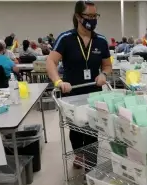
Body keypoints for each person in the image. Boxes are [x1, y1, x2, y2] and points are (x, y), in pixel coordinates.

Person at [46, 0, 111, 168]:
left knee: (92, 130)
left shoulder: (101, 40)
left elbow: (107, 65)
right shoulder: (66, 38)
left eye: (95, 16)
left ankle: (90, 168)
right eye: (89, 16)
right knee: (75, 129)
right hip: (72, 92)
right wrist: (58, 81)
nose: (93, 19)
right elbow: (51, 62)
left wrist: (104, 74)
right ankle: (78, 153)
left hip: (93, 93)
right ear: (78, 16)